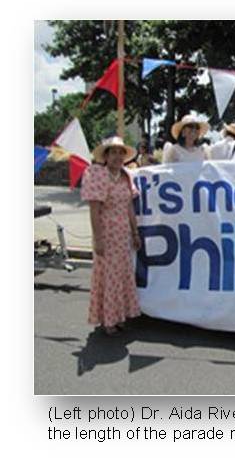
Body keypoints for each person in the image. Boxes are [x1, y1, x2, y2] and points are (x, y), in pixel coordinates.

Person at [81, 137, 141, 336]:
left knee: (122, 276)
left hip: (122, 235)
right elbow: (94, 210)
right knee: (108, 278)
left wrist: (135, 232)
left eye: (120, 152)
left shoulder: (126, 176)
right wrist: (98, 239)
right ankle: (108, 320)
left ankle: (119, 315)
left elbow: (129, 206)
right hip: (106, 234)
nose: (117, 156)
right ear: (105, 156)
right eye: (113, 152)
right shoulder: (97, 175)